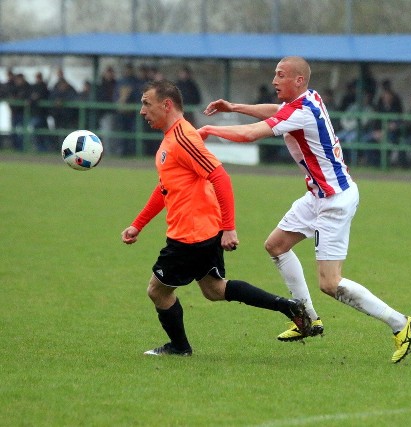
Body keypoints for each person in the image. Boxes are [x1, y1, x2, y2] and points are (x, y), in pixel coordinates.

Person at [197, 56, 411, 363]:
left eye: (280, 75)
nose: (274, 80)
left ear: (298, 80)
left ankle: (400, 323)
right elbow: (274, 111)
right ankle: (307, 318)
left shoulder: (302, 111)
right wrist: (234, 107)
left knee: (330, 283)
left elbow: (249, 135)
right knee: (276, 245)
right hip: (317, 196)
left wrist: (210, 130)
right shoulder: (308, 99)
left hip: (334, 201)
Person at [121, 79, 312, 356]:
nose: (142, 111)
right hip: (200, 230)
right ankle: (289, 306)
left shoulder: (183, 138)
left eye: (146, 104)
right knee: (214, 289)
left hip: (190, 235)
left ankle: (179, 347)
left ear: (167, 105)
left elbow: (220, 176)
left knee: (157, 291)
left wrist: (229, 228)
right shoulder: (172, 138)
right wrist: (138, 224)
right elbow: (166, 187)